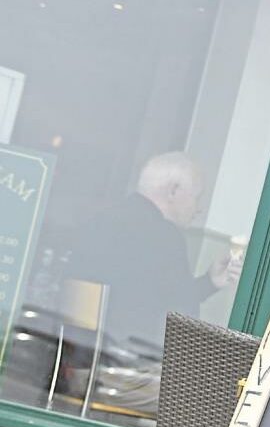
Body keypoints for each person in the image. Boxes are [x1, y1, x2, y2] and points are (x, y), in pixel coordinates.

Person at [64, 151, 240, 352]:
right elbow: (181, 316)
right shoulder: (164, 237)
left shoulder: (100, 221)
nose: (198, 208)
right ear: (173, 191)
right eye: (196, 197)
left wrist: (210, 282)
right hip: (126, 363)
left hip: (80, 352)